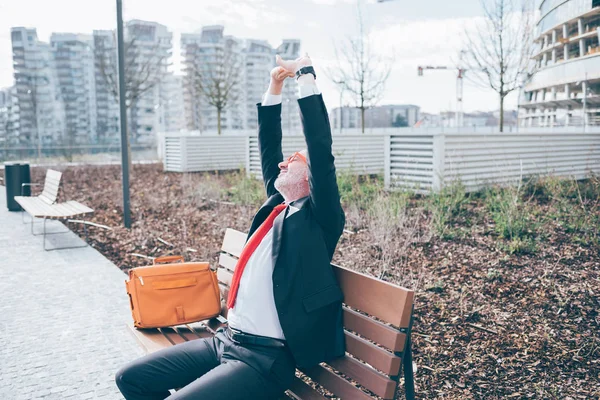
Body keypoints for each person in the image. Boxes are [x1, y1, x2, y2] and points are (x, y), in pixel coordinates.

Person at [115, 54, 346, 400]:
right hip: (225, 340)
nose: (283, 163)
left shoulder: (320, 220)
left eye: (294, 160)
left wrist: (305, 75)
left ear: (312, 179)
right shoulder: (277, 205)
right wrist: (275, 86)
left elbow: (320, 147)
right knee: (130, 379)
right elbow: (269, 147)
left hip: (263, 359)